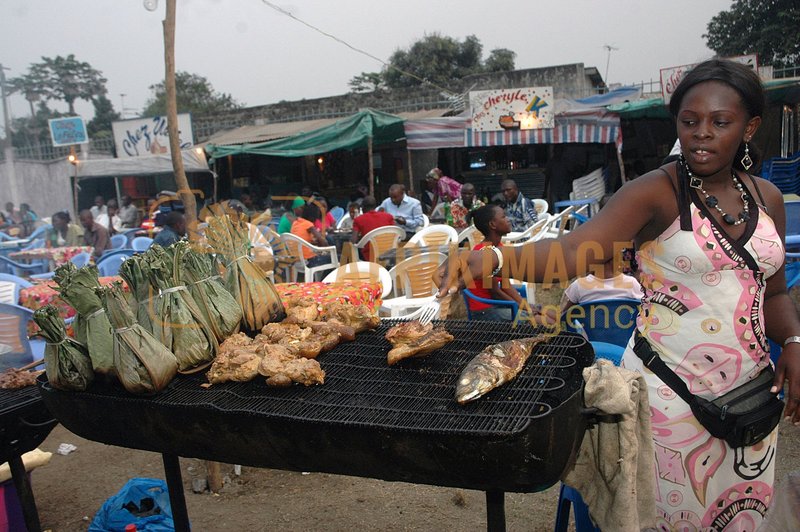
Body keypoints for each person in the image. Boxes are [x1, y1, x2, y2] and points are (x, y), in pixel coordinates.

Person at [438, 59, 800, 529]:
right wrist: (499, 259)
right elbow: (573, 251)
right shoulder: (657, 193)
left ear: (750, 127)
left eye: (720, 122)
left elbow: (771, 294)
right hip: (670, 400)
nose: (702, 134)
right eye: (690, 122)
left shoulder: (767, 198)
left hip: (750, 401)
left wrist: (792, 340)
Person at [464, 204, 530, 321]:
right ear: (492, 224)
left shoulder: (500, 247)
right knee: (539, 321)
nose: (508, 219)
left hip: (496, 304)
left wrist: (527, 306)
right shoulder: (484, 253)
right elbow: (495, 293)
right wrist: (522, 307)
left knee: (546, 315)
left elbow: (506, 285)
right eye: (504, 217)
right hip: (484, 311)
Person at [351, 196, 395, 261]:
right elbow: (393, 234)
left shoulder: (358, 220)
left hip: (369, 255)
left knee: (349, 249)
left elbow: (353, 241)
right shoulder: (388, 216)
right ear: (375, 206)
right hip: (389, 253)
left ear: (363, 208)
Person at [291, 202, 331, 268]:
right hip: (308, 260)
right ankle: (324, 278)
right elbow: (324, 242)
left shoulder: (295, 222)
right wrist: (329, 249)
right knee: (335, 258)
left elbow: (302, 239)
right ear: (313, 215)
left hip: (297, 259)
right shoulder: (308, 224)